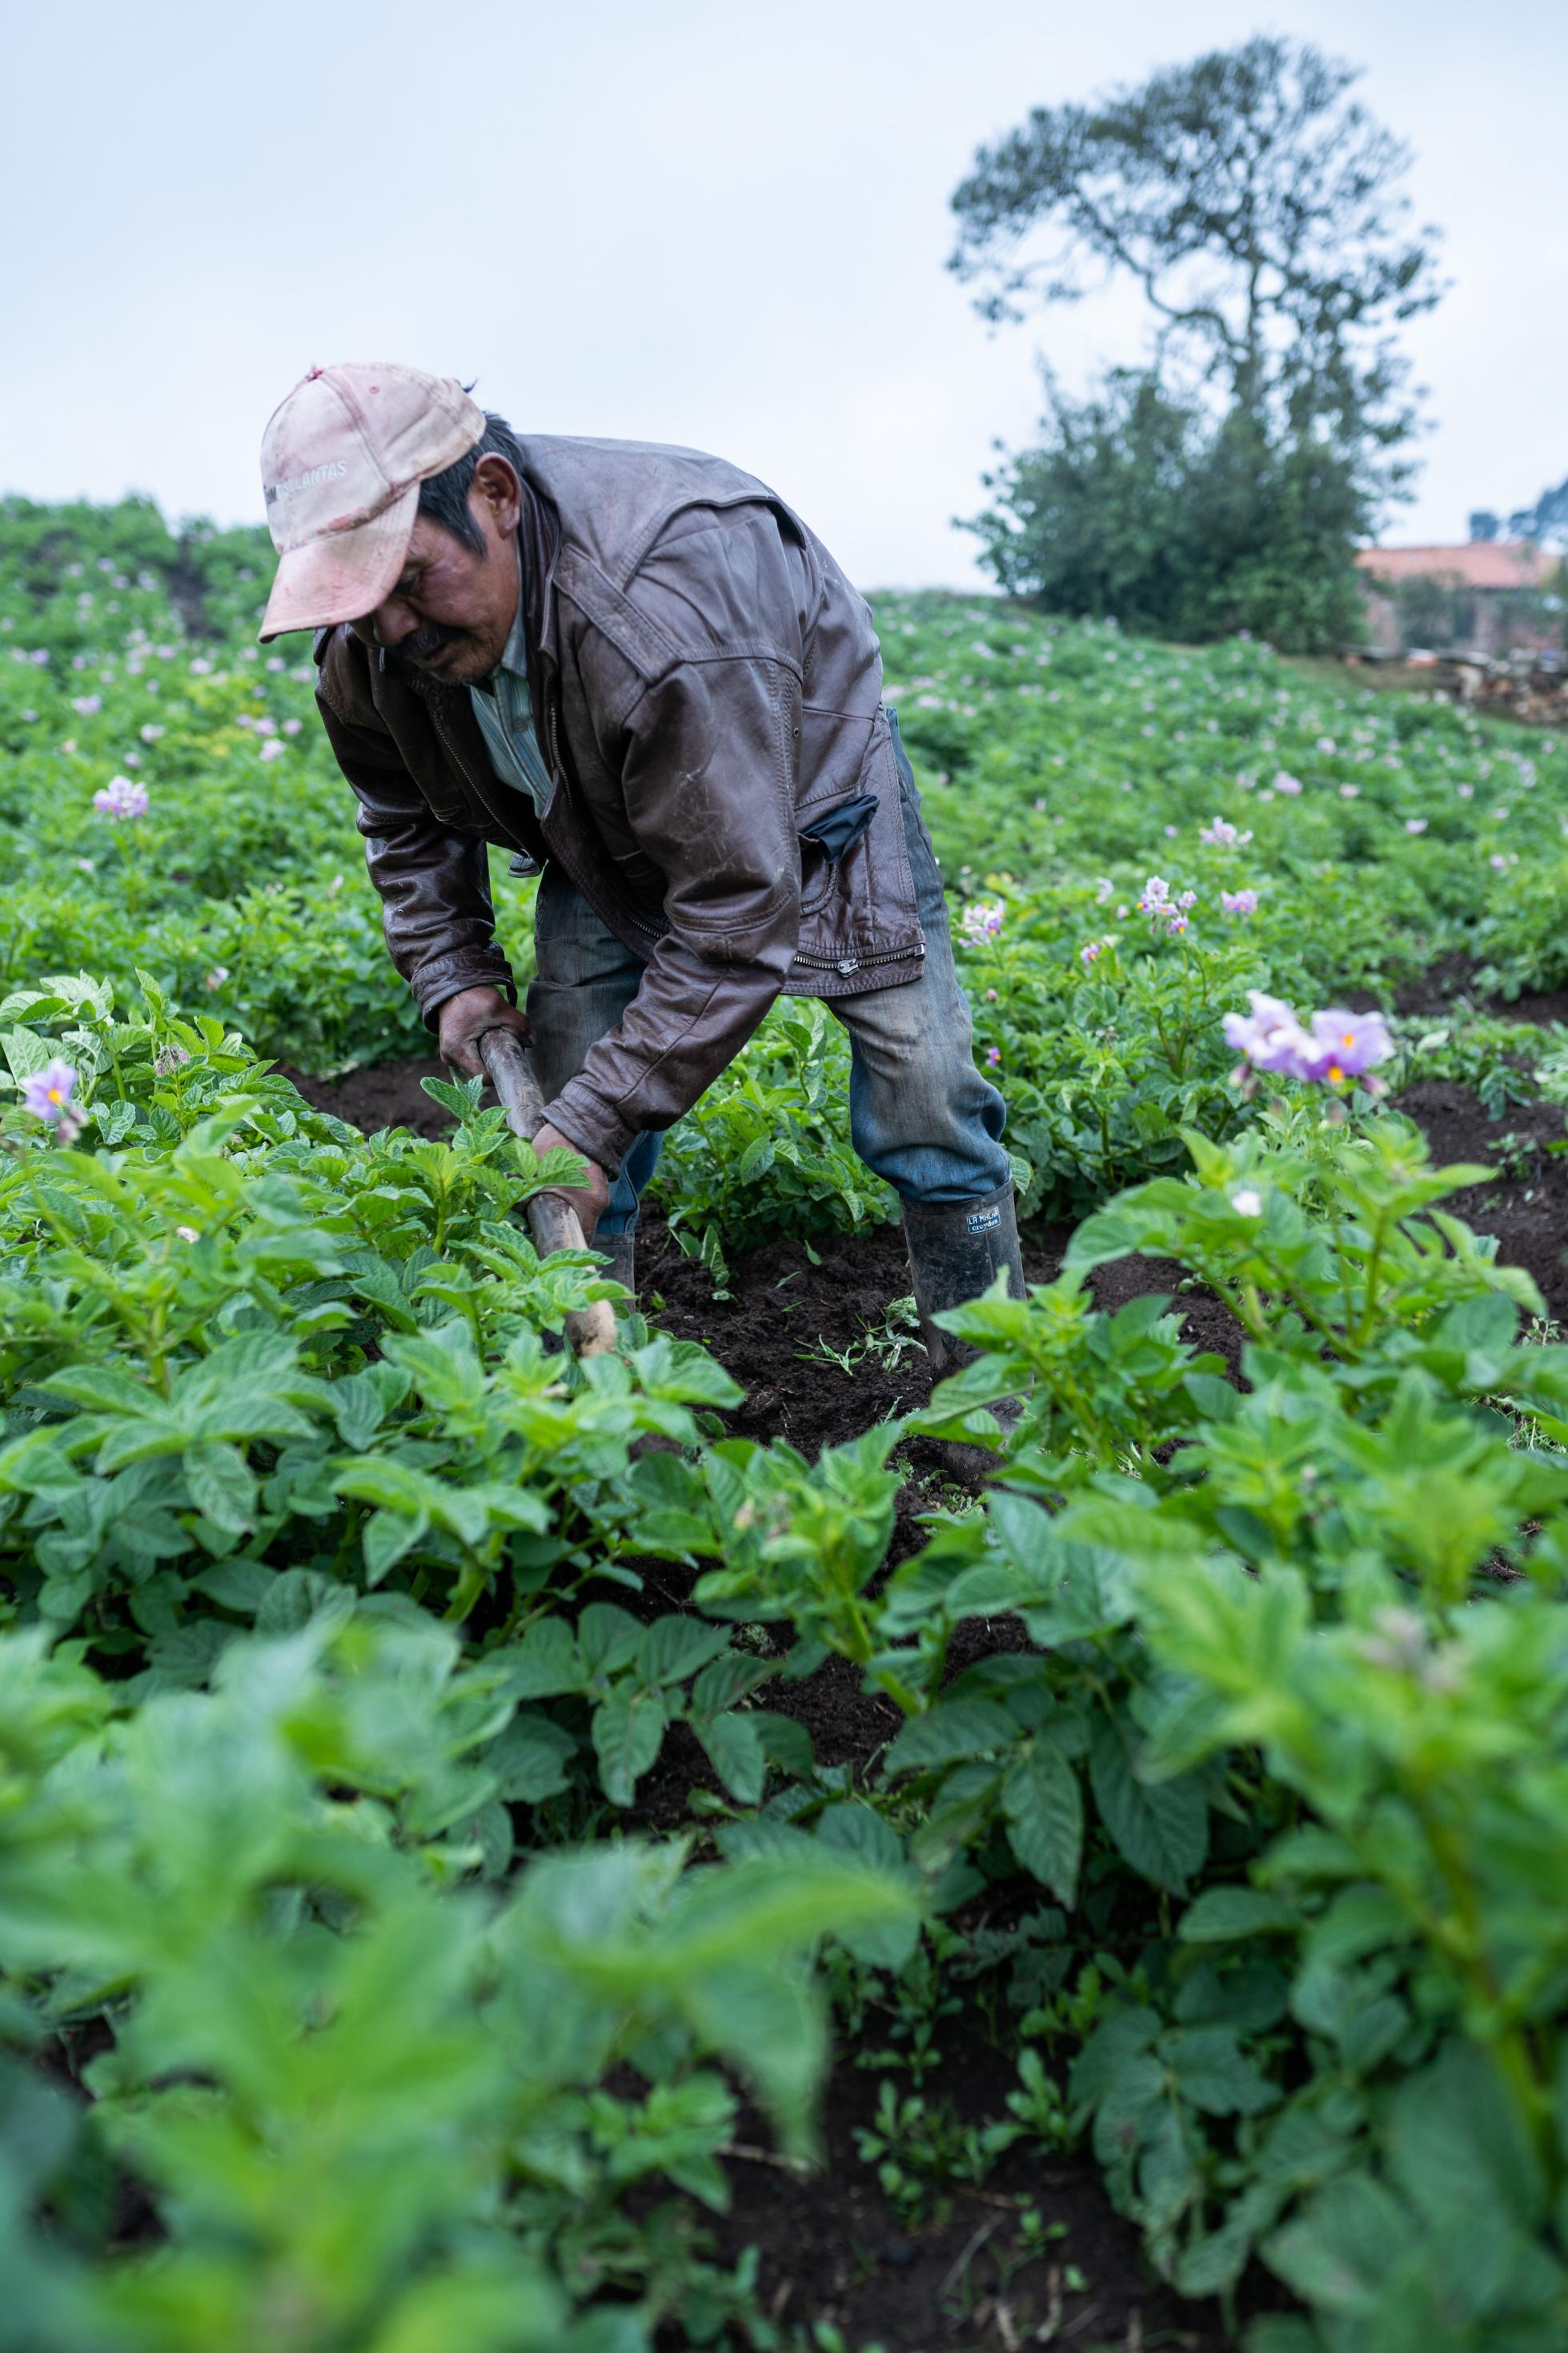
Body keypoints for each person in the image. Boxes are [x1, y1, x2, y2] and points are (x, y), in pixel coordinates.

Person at [257, 359, 1024, 1405]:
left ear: (496, 496)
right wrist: (454, 972)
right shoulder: (378, 652)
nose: (393, 629)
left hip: (812, 807)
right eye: (360, 601)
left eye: (407, 581)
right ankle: (594, 1412)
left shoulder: (666, 609)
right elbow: (400, 809)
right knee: (570, 1114)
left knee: (923, 1089)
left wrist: (598, 1123)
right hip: (594, 820)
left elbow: (738, 915)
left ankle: (997, 1398)